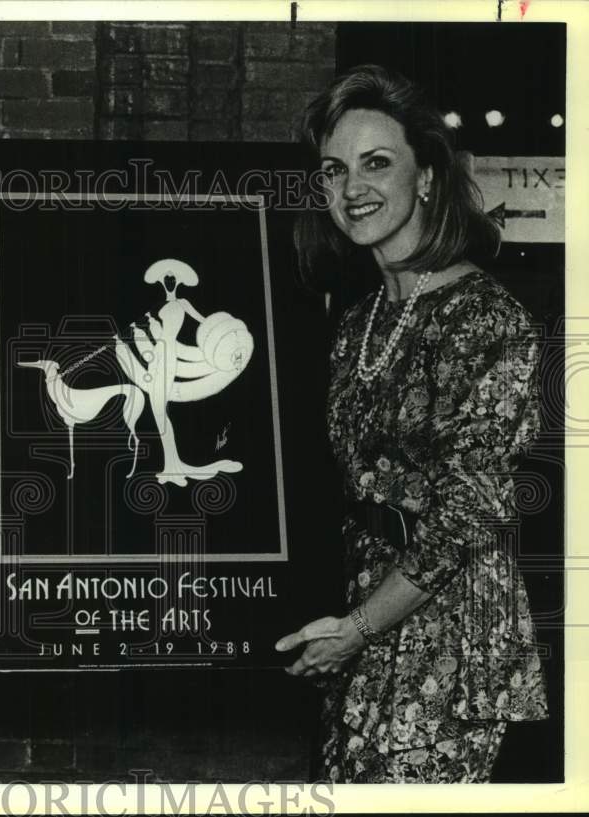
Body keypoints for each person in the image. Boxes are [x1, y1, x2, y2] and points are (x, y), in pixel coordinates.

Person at [275, 65, 548, 783]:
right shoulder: (359, 322)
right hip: (365, 628)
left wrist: (358, 627)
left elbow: (468, 513)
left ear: (426, 177)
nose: (351, 188)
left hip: (451, 646)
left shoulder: (487, 319)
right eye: (334, 171)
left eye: (376, 163)